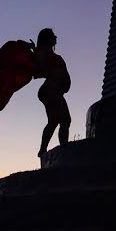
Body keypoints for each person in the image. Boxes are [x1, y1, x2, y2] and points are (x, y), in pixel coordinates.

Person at [32, 28, 71, 158]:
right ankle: (62, 148)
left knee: (57, 120)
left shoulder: (49, 54)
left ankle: (46, 149)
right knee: (63, 120)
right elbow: (39, 68)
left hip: (55, 91)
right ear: (48, 39)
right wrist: (36, 52)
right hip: (51, 90)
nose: (56, 38)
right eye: (53, 36)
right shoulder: (44, 53)